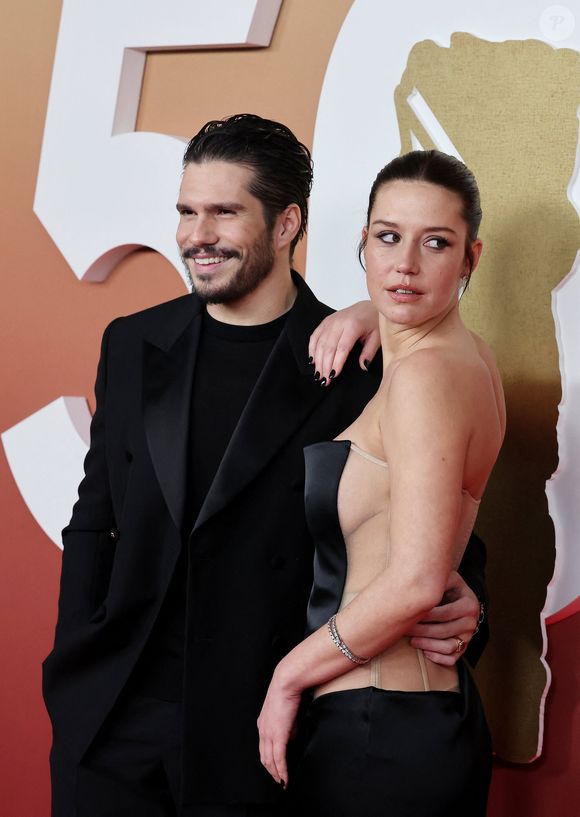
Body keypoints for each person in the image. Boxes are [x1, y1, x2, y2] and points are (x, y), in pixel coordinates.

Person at [43, 117, 488, 817]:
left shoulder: (360, 369)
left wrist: (468, 603)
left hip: (262, 732)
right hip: (111, 724)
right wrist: (73, 679)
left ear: (286, 225)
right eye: (188, 212)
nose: (197, 234)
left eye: (224, 212)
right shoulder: (132, 344)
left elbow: (439, 535)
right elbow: (92, 523)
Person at [258, 149, 505, 817]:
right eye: (390, 237)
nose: (406, 263)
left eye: (437, 243)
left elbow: (418, 580)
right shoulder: (465, 357)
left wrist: (288, 676)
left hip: (379, 733)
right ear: (363, 243)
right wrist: (371, 314)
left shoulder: (427, 378)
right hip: (412, 719)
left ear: (470, 258)